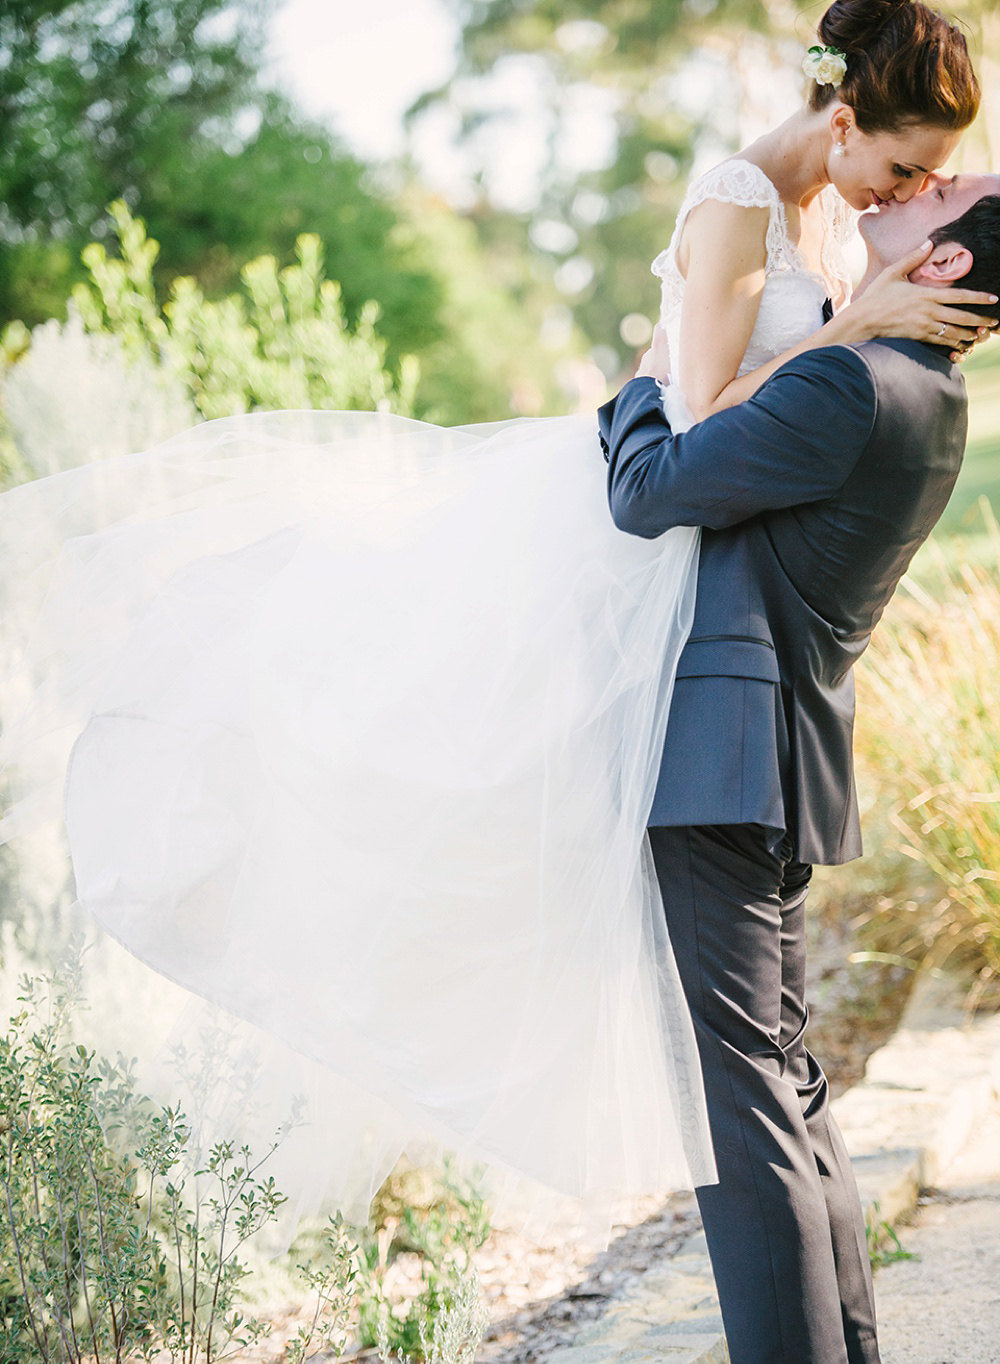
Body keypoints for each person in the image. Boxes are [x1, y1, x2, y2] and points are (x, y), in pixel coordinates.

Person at [0, 1, 990, 1234]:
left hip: (699, 586)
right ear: (841, 120)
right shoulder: (739, 203)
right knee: (451, 774)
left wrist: (853, 318)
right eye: (904, 164)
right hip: (626, 532)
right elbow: (687, 421)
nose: (915, 188)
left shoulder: (827, 226)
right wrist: (850, 329)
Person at [600, 150, 1000, 1364]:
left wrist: (641, 382)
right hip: (773, 758)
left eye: (947, 192)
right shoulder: (926, 390)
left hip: (722, 757)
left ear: (941, 264)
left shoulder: (846, 380)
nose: (928, 180)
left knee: (744, 1099)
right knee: (788, 1086)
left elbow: (651, 490)